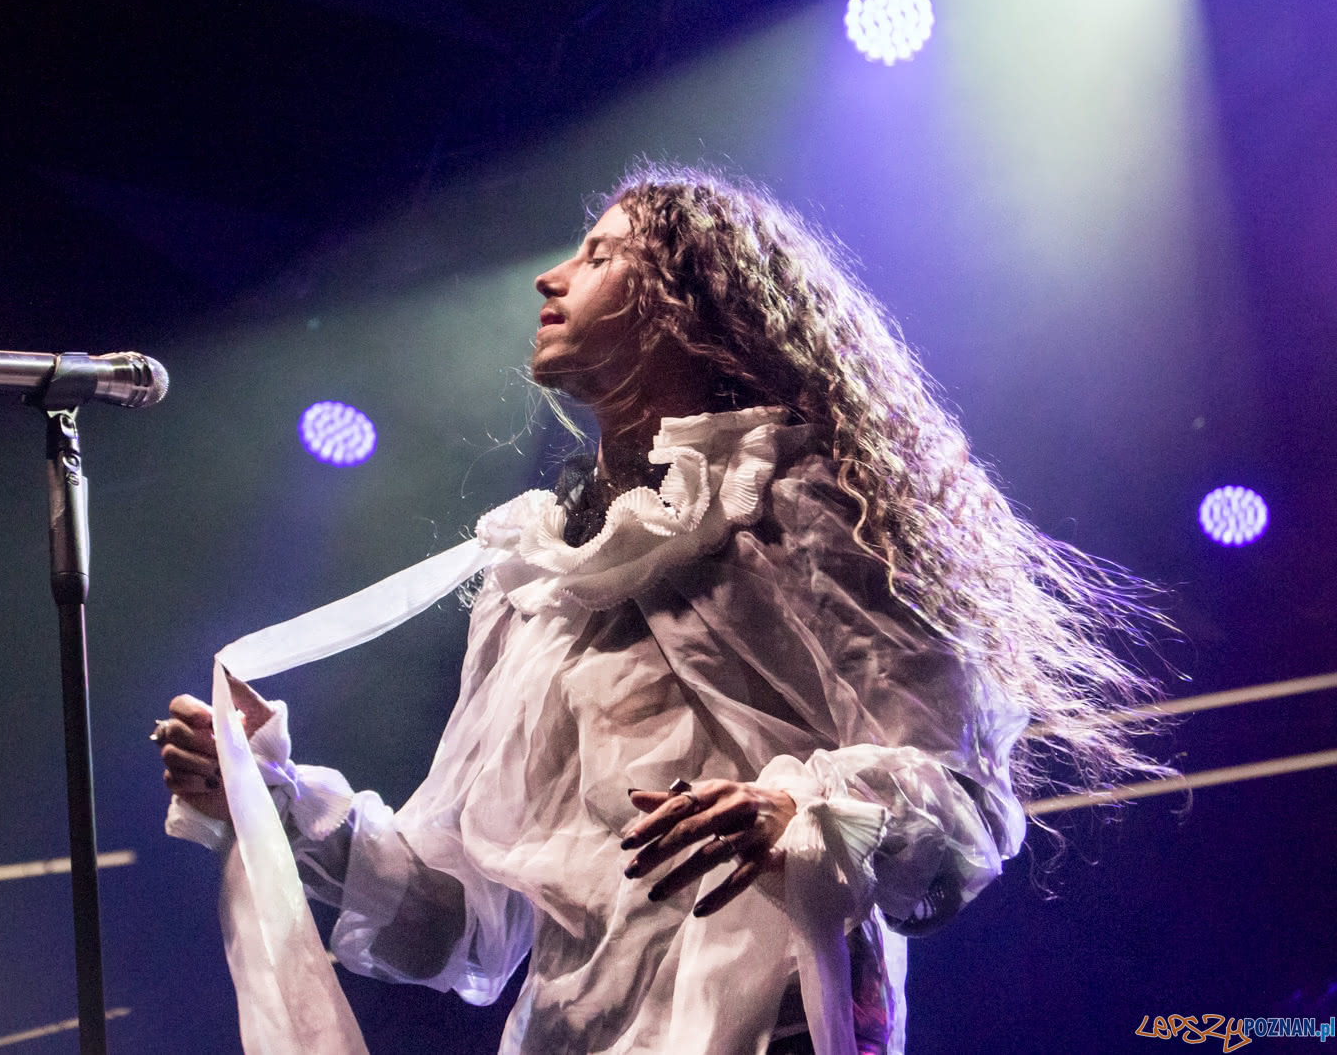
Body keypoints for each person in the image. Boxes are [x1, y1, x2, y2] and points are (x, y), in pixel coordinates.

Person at [153, 163, 1168, 1054]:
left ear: (694, 302)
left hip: (769, 1022)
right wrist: (273, 793)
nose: (550, 279)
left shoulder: (805, 504)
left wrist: (807, 816)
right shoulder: (536, 585)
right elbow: (455, 920)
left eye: (597, 256)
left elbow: (965, 805)